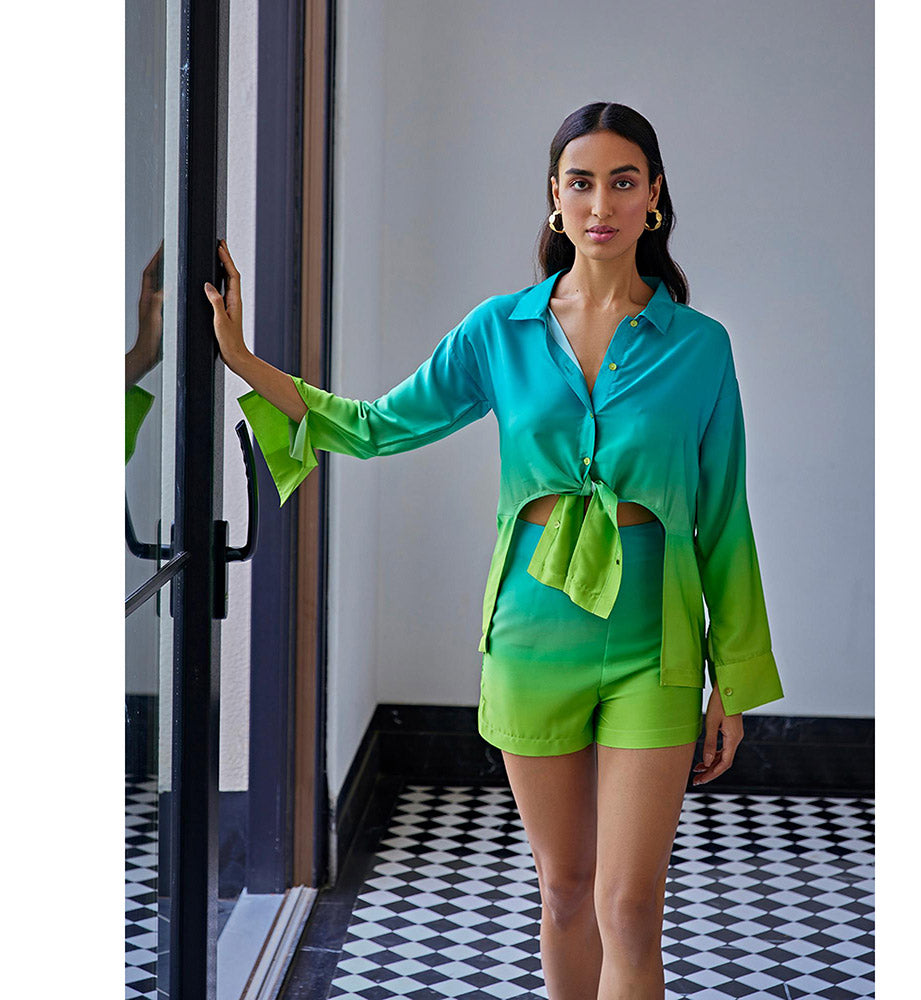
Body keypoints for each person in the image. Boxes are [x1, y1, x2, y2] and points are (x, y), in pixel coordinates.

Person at [204, 101, 784, 1000]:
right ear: (555, 197)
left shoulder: (702, 348)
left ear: (655, 197)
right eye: (581, 183)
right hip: (530, 636)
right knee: (565, 892)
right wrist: (243, 359)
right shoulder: (498, 331)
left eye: (623, 182)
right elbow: (377, 427)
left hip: (657, 643)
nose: (601, 204)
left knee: (632, 908)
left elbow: (724, 517)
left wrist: (732, 683)